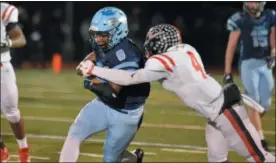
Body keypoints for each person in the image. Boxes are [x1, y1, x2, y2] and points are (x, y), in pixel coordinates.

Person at [80, 24, 276, 162]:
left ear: (160, 42)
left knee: (257, 157)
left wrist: (94, 70)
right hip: (215, 114)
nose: (149, 48)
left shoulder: (166, 60)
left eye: (151, 43)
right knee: (218, 160)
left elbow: (130, 77)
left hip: (225, 112)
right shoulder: (185, 50)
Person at [59, 7, 150, 162]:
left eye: (102, 35)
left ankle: (134, 159)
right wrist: (85, 63)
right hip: (104, 103)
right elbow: (96, 53)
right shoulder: (105, 43)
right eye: (96, 35)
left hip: (125, 112)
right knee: (74, 133)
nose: (98, 39)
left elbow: (112, 92)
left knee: (111, 158)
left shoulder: (129, 55)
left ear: (118, 32)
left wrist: (89, 81)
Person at [224, 1, 275, 151]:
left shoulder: (270, 17)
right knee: (254, 101)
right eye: (250, 1)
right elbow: (231, 45)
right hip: (248, 64)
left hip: (264, 64)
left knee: (265, 104)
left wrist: (273, 52)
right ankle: (259, 139)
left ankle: (244, 126)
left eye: (255, 2)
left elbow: (273, 36)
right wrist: (228, 71)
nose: (252, 5)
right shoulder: (240, 19)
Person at [0, 2, 30, 162]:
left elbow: (21, 38)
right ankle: (1, 149)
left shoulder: (5, 10)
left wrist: (7, 43)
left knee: (11, 112)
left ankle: (23, 148)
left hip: (1, 67)